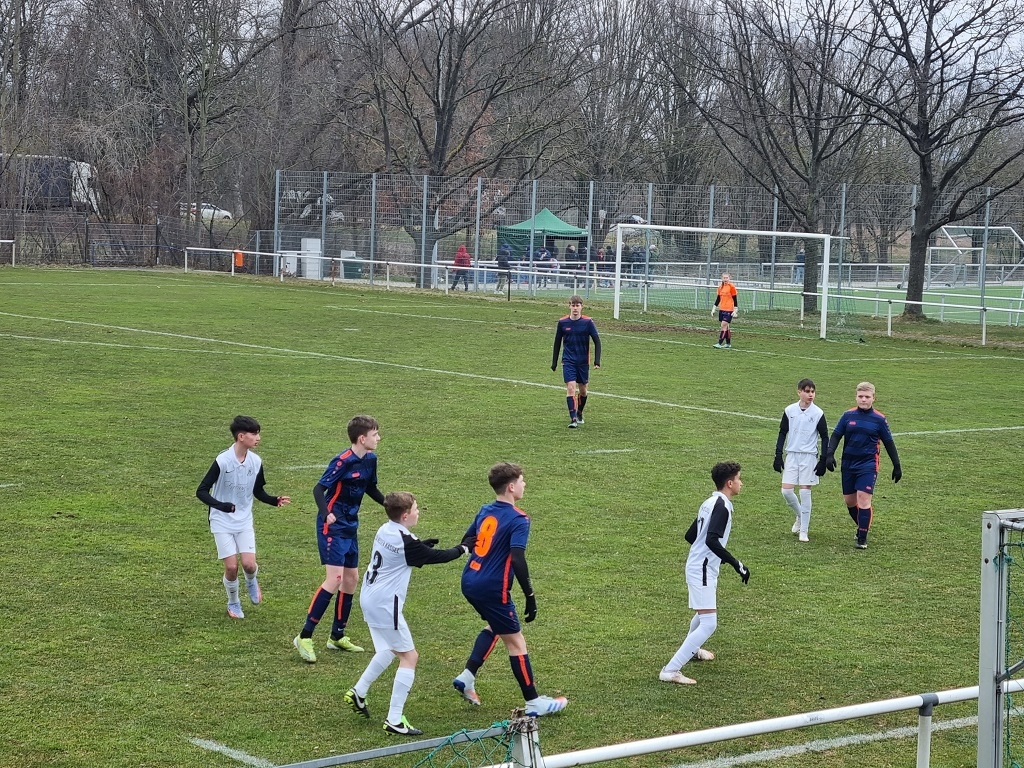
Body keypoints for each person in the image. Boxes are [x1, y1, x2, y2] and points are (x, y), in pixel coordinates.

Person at [343, 492, 469, 736]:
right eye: (416, 509)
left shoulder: (385, 529)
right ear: (405, 515)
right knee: (409, 657)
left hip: (369, 597)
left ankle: (359, 692)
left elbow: (410, 552)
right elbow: (437, 558)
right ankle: (394, 720)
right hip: (385, 604)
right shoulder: (407, 542)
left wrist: (422, 546)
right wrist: (463, 549)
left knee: (388, 650)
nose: (418, 512)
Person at [452, 462, 568, 717]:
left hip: (470, 580)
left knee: (496, 625)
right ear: (512, 487)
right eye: (522, 481)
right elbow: (517, 558)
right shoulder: (519, 518)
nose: (525, 485)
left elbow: (467, 540)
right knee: (516, 642)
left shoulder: (485, 510)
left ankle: (467, 677)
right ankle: (534, 702)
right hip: (492, 587)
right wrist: (530, 595)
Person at [294, 415, 385, 662]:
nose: (378, 438)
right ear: (362, 438)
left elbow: (370, 488)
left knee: (351, 578)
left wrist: (389, 505)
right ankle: (304, 636)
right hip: (332, 526)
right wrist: (327, 513)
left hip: (350, 525)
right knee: (334, 578)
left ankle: (337, 635)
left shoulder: (371, 459)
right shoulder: (342, 461)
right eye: (375, 434)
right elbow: (318, 489)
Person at [660, 462, 750, 685]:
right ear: (729, 483)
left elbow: (691, 536)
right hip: (702, 569)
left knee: (703, 615)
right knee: (709, 623)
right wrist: (736, 563)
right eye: (739, 479)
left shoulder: (709, 503)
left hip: (701, 566)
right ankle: (670, 670)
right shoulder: (722, 506)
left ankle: (693, 649)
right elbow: (711, 540)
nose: (741, 483)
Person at [196, 415, 291, 619]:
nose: (258, 438)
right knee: (231, 567)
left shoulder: (255, 462)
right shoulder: (223, 461)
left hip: (244, 521)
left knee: (249, 565)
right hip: (221, 521)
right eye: (254, 434)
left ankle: (251, 581)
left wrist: (274, 500)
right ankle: (233, 602)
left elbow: (258, 491)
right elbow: (201, 491)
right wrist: (221, 506)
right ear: (241, 436)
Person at [824, 382, 902, 550]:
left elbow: (889, 443)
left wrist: (897, 465)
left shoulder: (879, 419)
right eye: (861, 396)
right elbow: (836, 435)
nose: (864, 399)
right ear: (856, 397)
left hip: (868, 465)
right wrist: (829, 454)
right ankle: (862, 526)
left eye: (867, 397)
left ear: (873, 398)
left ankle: (862, 538)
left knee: (864, 499)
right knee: (850, 501)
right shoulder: (847, 416)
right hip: (848, 464)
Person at [774, 379, 829, 542]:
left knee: (805, 492)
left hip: (809, 457)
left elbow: (825, 436)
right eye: (807, 391)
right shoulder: (789, 410)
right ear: (799, 392)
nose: (810, 394)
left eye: (812, 391)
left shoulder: (818, 413)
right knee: (786, 491)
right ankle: (800, 515)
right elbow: (782, 432)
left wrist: (823, 459)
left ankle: (804, 531)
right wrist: (778, 455)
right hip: (792, 455)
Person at [551, 295, 601, 428]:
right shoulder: (562, 322)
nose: (575, 308)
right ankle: (573, 419)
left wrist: (597, 361)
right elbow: (557, 342)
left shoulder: (588, 322)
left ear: (581, 307)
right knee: (571, 387)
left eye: (577, 305)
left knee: (583, 391)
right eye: (573, 305)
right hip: (568, 361)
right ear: (569, 306)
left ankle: (579, 413)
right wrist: (554, 362)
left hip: (583, 362)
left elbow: (597, 341)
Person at [712, 272, 738, 349]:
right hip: (722, 309)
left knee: (723, 326)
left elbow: (735, 299)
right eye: (724, 278)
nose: (725, 279)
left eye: (727, 278)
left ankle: (719, 343)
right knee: (726, 327)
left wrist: (735, 309)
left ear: (729, 278)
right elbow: (718, 299)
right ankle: (728, 343)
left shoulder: (731, 287)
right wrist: (714, 308)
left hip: (729, 310)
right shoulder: (720, 287)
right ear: (722, 278)